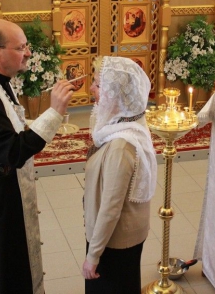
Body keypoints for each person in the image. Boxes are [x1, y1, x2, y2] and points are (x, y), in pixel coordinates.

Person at [0, 19, 76, 293]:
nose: (28, 53)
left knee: (14, 266)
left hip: (7, 190)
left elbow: (13, 129)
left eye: (27, 46)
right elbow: (12, 151)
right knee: (2, 271)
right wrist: (55, 112)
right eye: (21, 47)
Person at [82, 56, 157, 293]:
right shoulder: (128, 122)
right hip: (122, 237)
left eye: (98, 84)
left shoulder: (121, 146)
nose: (91, 88)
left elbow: (111, 207)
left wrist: (93, 256)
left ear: (116, 93)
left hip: (114, 242)